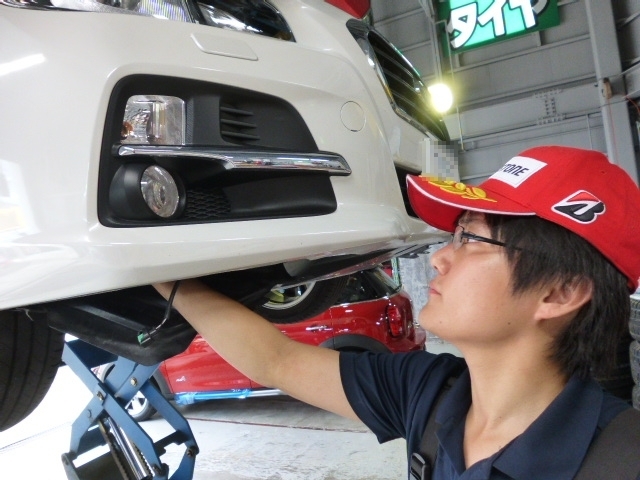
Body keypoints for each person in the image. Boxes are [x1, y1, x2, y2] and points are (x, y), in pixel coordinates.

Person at [153, 145, 640, 479]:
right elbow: (277, 360)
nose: (440, 257)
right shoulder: (427, 392)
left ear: (560, 292)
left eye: (471, 239)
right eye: (454, 236)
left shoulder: (623, 460)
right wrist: (160, 274)